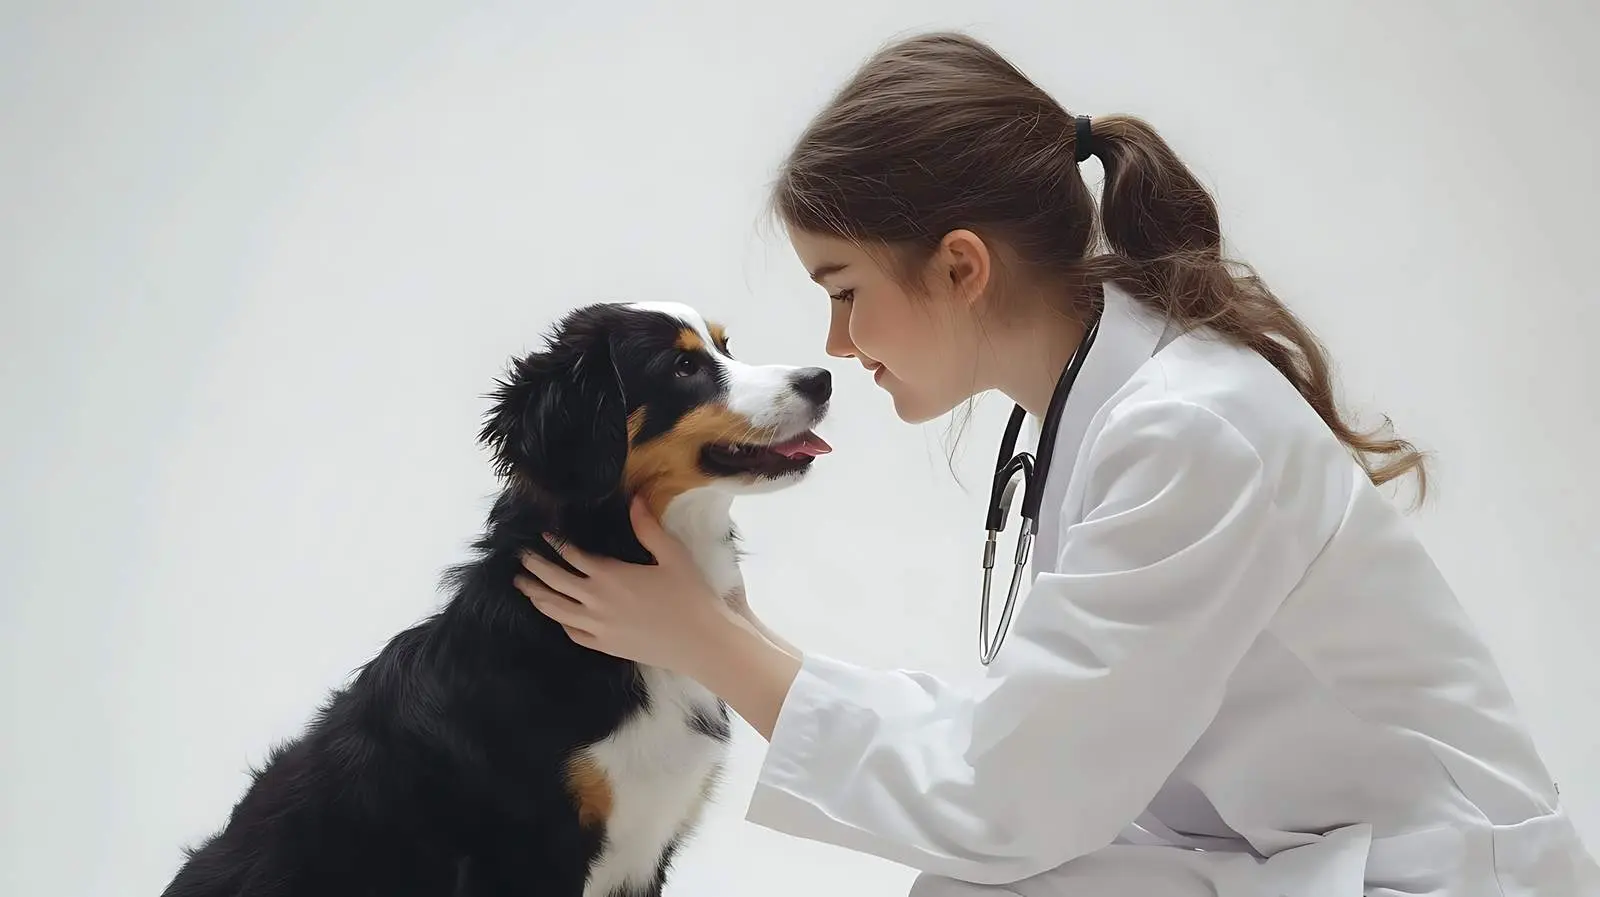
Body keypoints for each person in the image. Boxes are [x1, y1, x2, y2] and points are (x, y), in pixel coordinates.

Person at [514, 31, 1599, 897]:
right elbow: (1021, 741)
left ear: (959, 268)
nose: (837, 344)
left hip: (1431, 873)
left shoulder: (1186, 431)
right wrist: (732, 631)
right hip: (1293, 849)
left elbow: (1009, 798)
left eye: (842, 288)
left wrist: (708, 643)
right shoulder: (1123, 403)